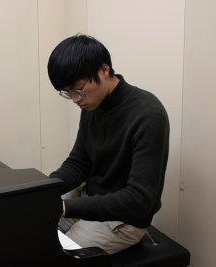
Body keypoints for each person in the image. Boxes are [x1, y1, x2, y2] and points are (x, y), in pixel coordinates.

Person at [48, 34, 170, 254]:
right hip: (91, 196)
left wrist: (65, 207)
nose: (75, 100)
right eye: (68, 93)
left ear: (104, 70)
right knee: (27, 222)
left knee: (53, 253)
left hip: (126, 219)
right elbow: (79, 163)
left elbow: (139, 199)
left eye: (78, 90)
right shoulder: (92, 104)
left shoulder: (148, 115)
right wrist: (44, 189)